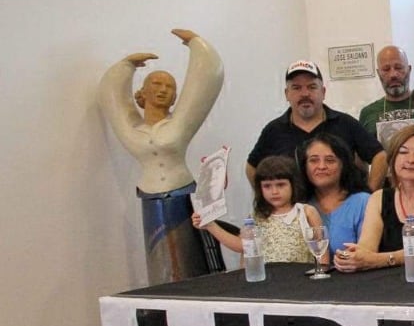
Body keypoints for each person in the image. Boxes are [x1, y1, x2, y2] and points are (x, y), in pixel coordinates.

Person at [98, 27, 224, 283]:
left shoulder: (179, 124)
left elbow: (205, 83)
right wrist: (124, 67)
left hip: (181, 192)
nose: (163, 89)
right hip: (150, 196)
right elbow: (111, 98)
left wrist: (196, 43)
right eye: (156, 83)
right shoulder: (132, 129)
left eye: (169, 86)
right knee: (160, 263)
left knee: (189, 259)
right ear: (142, 93)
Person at [331, 124, 414, 273]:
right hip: (383, 285)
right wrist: (352, 257)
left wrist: (377, 260)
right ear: (392, 159)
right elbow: (367, 249)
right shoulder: (378, 198)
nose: (411, 160)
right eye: (403, 152)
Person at [247, 60, 386, 190]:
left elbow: (380, 156)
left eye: (312, 87)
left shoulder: (345, 123)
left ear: (323, 92)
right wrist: (267, 201)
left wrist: (369, 197)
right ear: (286, 94)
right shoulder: (273, 130)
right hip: (295, 213)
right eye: (296, 88)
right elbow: (251, 167)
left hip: (342, 211)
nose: (305, 94)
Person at [195, 155, 324, 264]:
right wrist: (211, 226)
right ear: (260, 189)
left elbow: (321, 250)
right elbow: (242, 246)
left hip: (300, 282)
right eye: (267, 186)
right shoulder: (256, 216)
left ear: (293, 184)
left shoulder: (306, 212)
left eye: (280, 185)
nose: (274, 191)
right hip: (265, 282)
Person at [299, 133, 370, 251]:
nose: (321, 166)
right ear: (304, 166)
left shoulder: (363, 202)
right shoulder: (298, 204)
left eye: (330, 160)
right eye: (314, 160)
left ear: (343, 165)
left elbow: (366, 253)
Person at [357, 45, 414, 146]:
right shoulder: (368, 113)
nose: (393, 75)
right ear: (378, 73)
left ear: (409, 70)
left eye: (398, 67)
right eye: (386, 69)